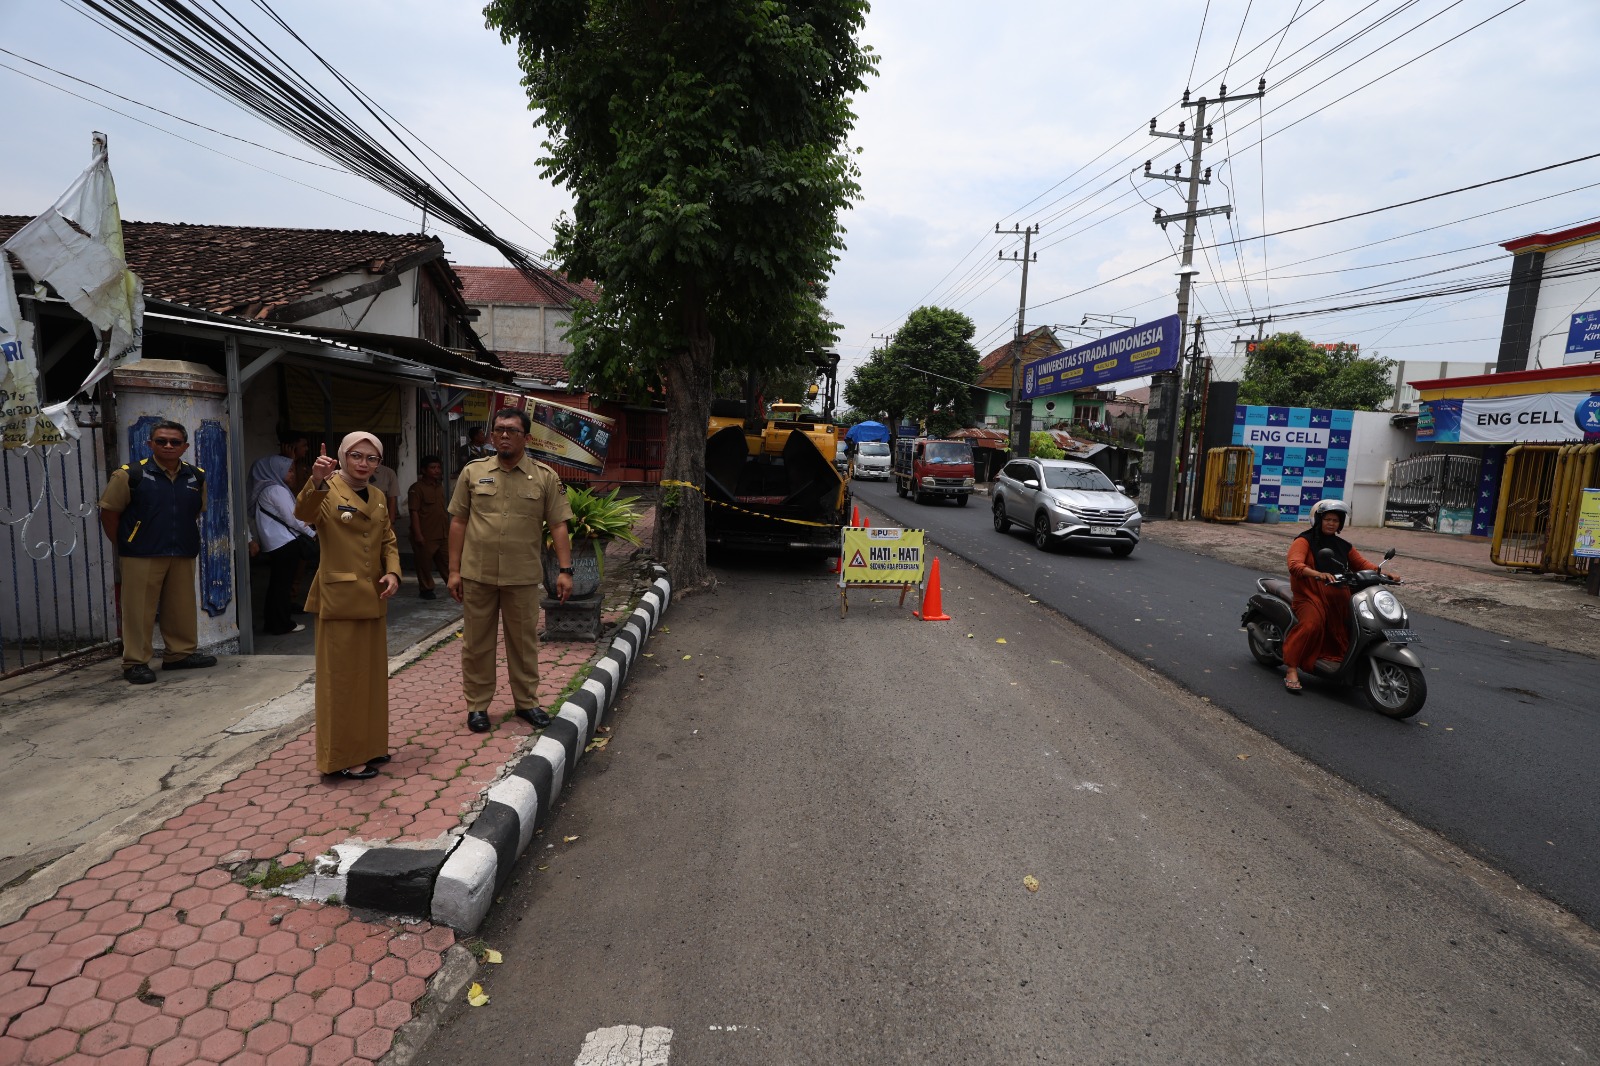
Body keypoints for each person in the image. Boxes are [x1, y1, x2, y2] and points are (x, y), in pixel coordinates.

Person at [447, 408, 574, 734]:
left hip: (522, 576)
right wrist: (453, 570)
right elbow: (458, 521)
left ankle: (527, 702)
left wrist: (565, 570)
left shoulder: (545, 477)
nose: (504, 435)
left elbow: (558, 525)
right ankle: (477, 707)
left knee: (523, 643)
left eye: (512, 430)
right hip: (478, 574)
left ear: (525, 437)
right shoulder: (472, 473)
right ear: (492, 435)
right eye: (499, 429)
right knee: (476, 644)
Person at [295, 433, 402, 779]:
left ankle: (370, 746)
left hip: (374, 598)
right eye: (356, 455)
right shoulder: (328, 489)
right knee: (340, 681)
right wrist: (316, 480)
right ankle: (341, 757)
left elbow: (387, 539)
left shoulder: (379, 495)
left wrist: (394, 573)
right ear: (342, 456)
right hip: (339, 599)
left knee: (371, 678)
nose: (363, 463)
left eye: (372, 459)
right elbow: (304, 513)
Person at [98, 419, 218, 683]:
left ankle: (180, 655)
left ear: (185, 446)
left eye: (175, 442)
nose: (168, 445)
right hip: (141, 553)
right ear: (149, 443)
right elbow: (109, 512)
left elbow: (196, 511)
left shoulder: (196, 475)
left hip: (181, 550)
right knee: (139, 609)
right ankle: (136, 662)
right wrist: (125, 541)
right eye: (161, 441)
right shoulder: (130, 474)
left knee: (181, 607)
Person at [1282, 498, 1393, 693]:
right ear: (1318, 520)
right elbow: (1295, 565)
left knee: (1356, 624)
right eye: (1327, 519)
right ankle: (1291, 668)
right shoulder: (1303, 540)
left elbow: (1362, 564)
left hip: (1338, 597)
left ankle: (1347, 665)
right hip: (1310, 595)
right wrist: (1317, 574)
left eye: (1336, 520)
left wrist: (1383, 573)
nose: (1331, 523)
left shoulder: (1343, 545)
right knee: (1311, 625)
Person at [249, 455, 316, 635]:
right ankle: (281, 624)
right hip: (284, 542)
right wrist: (312, 534)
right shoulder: (276, 490)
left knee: (278, 584)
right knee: (282, 586)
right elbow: (294, 518)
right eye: (289, 470)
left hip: (275, 542)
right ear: (276, 470)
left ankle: (275, 622)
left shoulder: (266, 488)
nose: (292, 474)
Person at [407, 454, 451, 599]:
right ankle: (426, 589)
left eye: (438, 467)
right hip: (426, 533)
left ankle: (454, 586)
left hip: (442, 532)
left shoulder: (440, 487)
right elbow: (414, 512)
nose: (437, 471)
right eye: (433, 468)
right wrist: (418, 534)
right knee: (424, 563)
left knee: (447, 562)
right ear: (424, 470)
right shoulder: (417, 488)